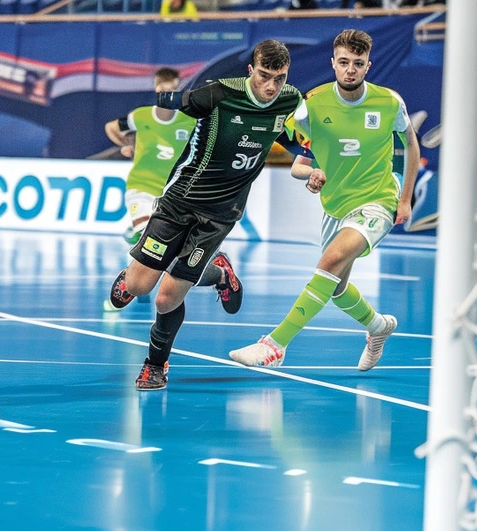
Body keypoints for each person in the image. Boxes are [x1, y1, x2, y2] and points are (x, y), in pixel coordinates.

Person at [108, 41, 304, 391]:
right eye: (264, 76)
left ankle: (155, 365)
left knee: (167, 297)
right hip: (178, 201)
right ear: (251, 72)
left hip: (220, 213)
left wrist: (314, 167)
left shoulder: (290, 102)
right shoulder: (217, 94)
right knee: (139, 287)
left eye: (279, 78)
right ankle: (216, 273)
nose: (271, 87)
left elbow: (304, 143)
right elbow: (174, 102)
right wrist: (163, 96)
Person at [229, 30, 418, 370]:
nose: (350, 70)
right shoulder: (310, 106)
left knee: (329, 261)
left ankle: (274, 345)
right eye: (344, 62)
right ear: (333, 63)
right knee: (336, 288)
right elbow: (300, 165)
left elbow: (412, 144)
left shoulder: (389, 102)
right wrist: (312, 175)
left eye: (358, 64)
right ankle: (378, 327)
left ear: (367, 66)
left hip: (378, 200)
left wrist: (404, 199)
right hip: (335, 207)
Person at [104, 68, 196, 246]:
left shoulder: (189, 120)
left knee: (176, 241)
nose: (171, 95)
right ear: (158, 89)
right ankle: (139, 230)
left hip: (171, 194)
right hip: (141, 187)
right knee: (150, 239)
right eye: (167, 90)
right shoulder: (141, 116)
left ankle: (137, 230)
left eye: (175, 90)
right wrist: (126, 144)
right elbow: (111, 127)